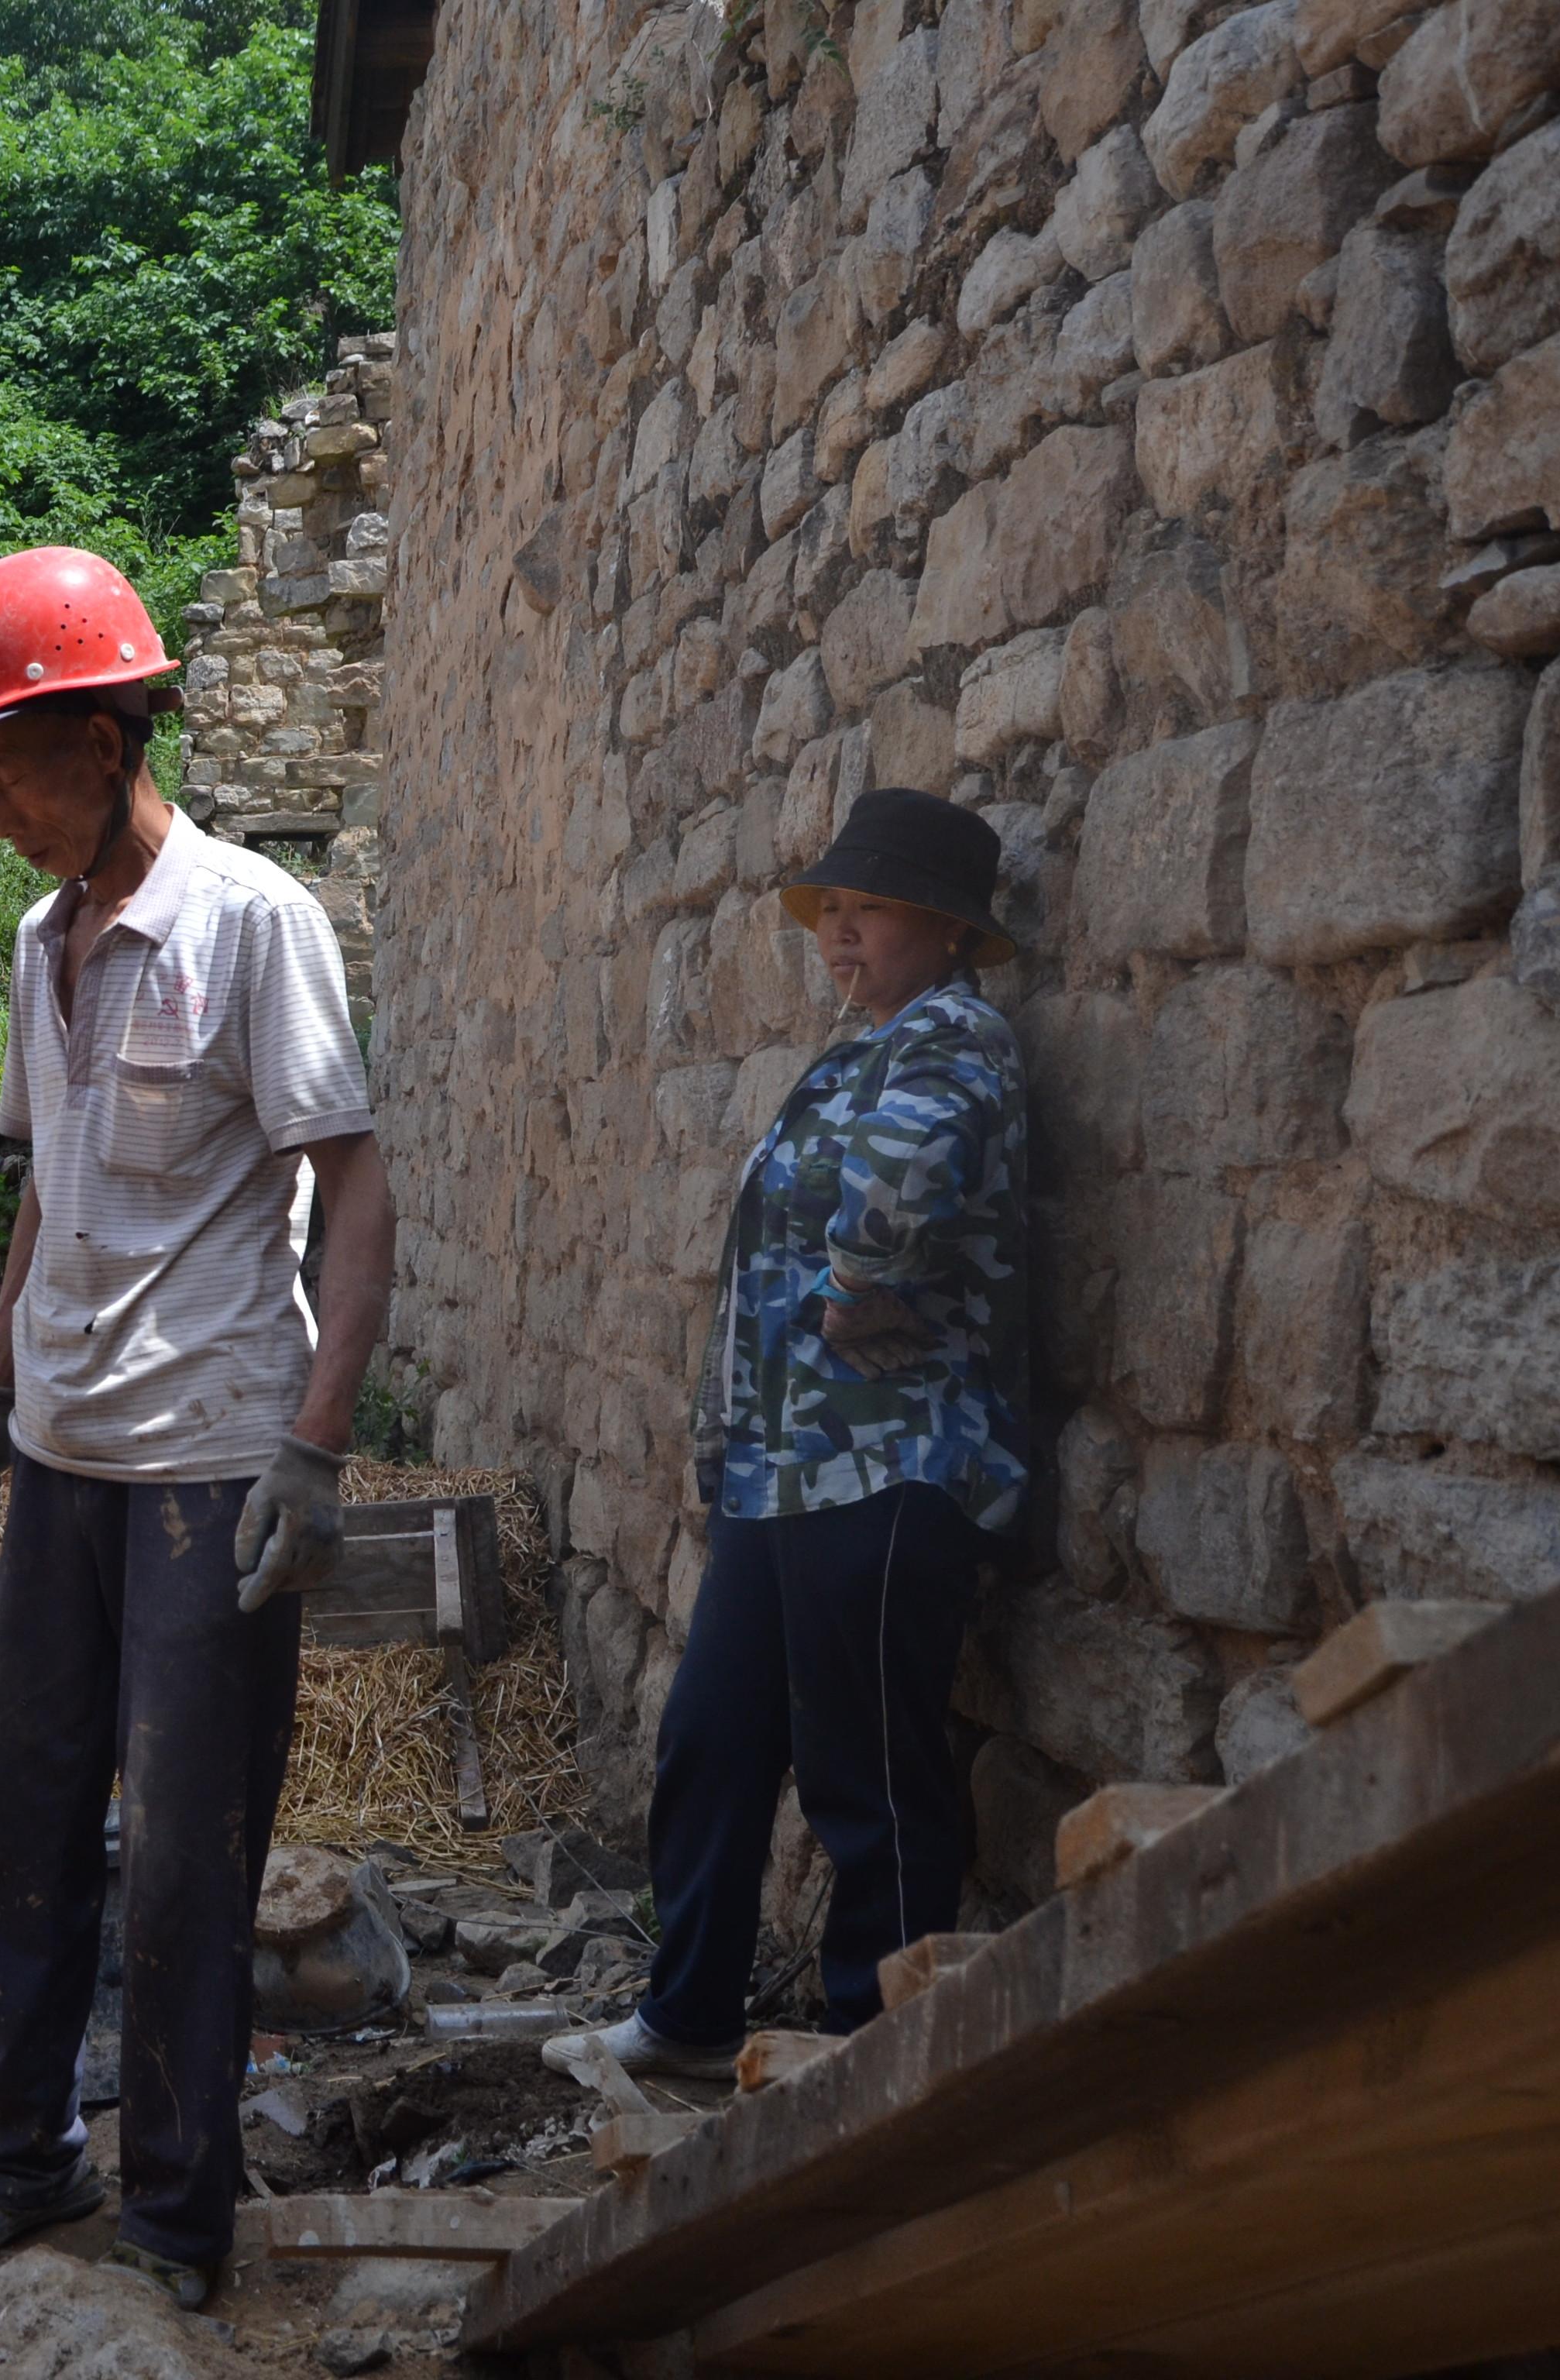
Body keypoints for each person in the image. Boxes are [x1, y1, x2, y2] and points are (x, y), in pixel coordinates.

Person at [0, 546, 393, 2312]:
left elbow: (354, 1187)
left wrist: (315, 1444)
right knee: (7, 1815)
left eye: (12, 768)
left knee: (185, 1843)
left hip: (208, 1455)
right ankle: (14, 2156)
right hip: (66, 1456)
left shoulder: (256, 921)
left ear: (108, 741)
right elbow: (47, 1186)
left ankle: (180, 2210)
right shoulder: (41, 944)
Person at [550, 786, 1031, 2083]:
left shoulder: (953, 1040)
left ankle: (870, 2049)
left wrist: (844, 1287)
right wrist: (724, 1443)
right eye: (831, 909)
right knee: (709, 1738)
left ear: (941, 926)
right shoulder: (851, 1054)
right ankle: (689, 2010)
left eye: (866, 908)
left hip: (886, 1468)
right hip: (784, 1478)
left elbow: (907, 1186)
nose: (838, 931)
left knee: (864, 1771)